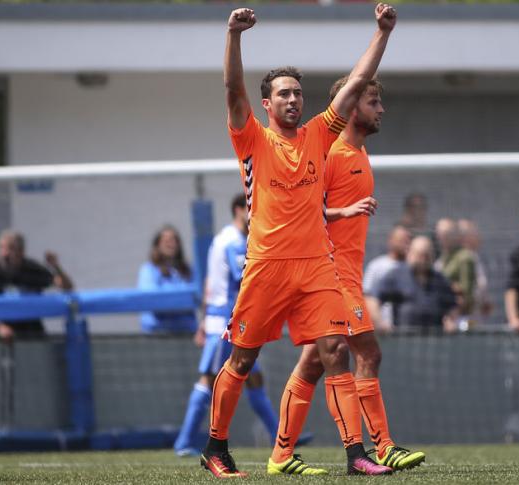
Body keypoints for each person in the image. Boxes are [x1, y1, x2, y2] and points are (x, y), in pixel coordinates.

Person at [201, 4, 397, 478]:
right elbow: (231, 89)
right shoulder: (251, 138)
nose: (293, 100)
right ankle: (215, 449)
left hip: (314, 265)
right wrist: (233, 35)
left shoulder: (318, 135)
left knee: (337, 350)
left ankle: (356, 456)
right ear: (266, 105)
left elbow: (353, 86)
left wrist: (382, 32)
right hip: (266, 266)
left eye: (297, 93)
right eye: (283, 94)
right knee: (243, 359)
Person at [267, 77, 425, 476]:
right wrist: (344, 211)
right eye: (373, 102)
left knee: (314, 364)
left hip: (346, 274)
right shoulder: (332, 152)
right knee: (368, 353)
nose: (381, 109)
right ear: (352, 106)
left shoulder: (359, 151)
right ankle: (382, 447)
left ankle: (281, 455)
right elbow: (301, 210)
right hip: (330, 274)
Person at [174, 195, 296, 456]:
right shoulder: (233, 240)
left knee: (254, 379)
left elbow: (210, 283)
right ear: (240, 210)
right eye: (254, 210)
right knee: (209, 379)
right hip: (226, 322)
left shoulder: (227, 239)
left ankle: (280, 439)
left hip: (230, 319)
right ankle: (183, 442)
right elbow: (244, 277)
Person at [0, 230, 74, 340]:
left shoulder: (32, 269)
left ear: (21, 251)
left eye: (11, 248)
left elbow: (67, 287)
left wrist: (56, 267)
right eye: (2, 248)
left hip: (31, 335)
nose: (5, 253)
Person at [376, 236, 458, 331]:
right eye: (419, 255)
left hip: (434, 341)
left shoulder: (440, 280)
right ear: (410, 254)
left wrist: (450, 321)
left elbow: (452, 306)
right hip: (403, 340)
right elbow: (373, 299)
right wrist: (380, 322)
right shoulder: (396, 275)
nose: (423, 260)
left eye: (426, 256)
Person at [137, 225, 197, 334]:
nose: (171, 244)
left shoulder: (187, 270)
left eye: (174, 240)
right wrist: (181, 302)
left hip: (186, 333)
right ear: (157, 245)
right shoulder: (149, 270)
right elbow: (152, 299)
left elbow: (196, 296)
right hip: (158, 333)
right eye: (166, 240)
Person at [363, 224, 411, 332]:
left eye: (408, 240)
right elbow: (367, 295)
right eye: (401, 240)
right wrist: (379, 322)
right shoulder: (377, 266)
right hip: (381, 328)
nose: (405, 244)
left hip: (406, 328)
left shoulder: (411, 267)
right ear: (391, 240)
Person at [435, 218, 477, 330]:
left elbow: (466, 291)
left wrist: (448, 286)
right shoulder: (443, 258)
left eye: (446, 235)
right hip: (442, 314)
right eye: (440, 234)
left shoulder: (464, 257)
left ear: (455, 236)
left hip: (460, 317)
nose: (442, 238)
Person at [458, 218, 492, 325]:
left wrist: (486, 301)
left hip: (476, 318)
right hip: (459, 319)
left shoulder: (475, 258)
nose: (479, 238)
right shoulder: (455, 259)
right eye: (475, 234)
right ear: (465, 238)